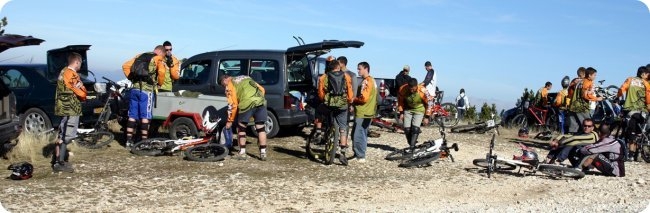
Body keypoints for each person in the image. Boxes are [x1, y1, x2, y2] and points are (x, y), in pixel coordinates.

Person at [122, 45, 167, 147]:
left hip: (134, 90)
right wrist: (159, 83)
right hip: (146, 91)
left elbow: (125, 65)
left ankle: (128, 141)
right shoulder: (158, 59)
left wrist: (132, 79)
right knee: (145, 116)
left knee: (132, 116)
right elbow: (161, 72)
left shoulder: (140, 56)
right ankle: (144, 142)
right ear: (161, 53)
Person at [219, 74, 269, 161]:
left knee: (241, 128)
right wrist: (256, 99)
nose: (224, 87)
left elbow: (233, 105)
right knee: (261, 128)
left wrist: (230, 121)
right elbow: (262, 89)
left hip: (246, 103)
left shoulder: (230, 85)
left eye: (223, 85)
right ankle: (263, 153)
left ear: (225, 80)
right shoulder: (246, 77)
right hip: (260, 101)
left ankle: (242, 153)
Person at [52, 52, 87, 173]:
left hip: (64, 107)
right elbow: (80, 91)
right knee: (67, 134)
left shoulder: (63, 71)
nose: (80, 66)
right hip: (71, 107)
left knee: (62, 132)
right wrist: (83, 93)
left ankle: (57, 160)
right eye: (80, 63)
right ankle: (59, 163)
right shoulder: (71, 74)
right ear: (76, 62)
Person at [318, 59, 354, 166]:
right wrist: (349, 101)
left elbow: (320, 93)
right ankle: (342, 153)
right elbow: (350, 93)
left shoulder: (324, 77)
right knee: (343, 127)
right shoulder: (346, 76)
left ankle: (324, 131)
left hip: (329, 104)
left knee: (322, 112)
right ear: (338, 67)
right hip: (342, 105)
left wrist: (325, 99)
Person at [615, 66, 650, 161]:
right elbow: (648, 98)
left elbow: (622, 89)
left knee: (632, 134)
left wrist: (617, 97)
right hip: (643, 111)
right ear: (643, 74)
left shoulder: (630, 79)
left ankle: (630, 155)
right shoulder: (646, 83)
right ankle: (637, 154)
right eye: (647, 74)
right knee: (639, 133)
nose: (648, 76)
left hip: (631, 110)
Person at [351, 62, 377, 163]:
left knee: (358, 134)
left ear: (366, 69)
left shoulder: (367, 81)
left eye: (359, 69)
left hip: (363, 111)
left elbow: (364, 98)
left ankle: (360, 155)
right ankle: (360, 153)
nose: (358, 71)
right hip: (369, 111)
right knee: (363, 133)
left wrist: (354, 100)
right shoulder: (373, 81)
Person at [398, 78, 434, 152]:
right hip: (408, 109)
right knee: (407, 129)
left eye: (413, 89)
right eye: (410, 88)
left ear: (416, 86)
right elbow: (400, 101)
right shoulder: (403, 89)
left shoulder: (423, 90)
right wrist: (401, 112)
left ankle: (412, 147)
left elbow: (430, 103)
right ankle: (412, 143)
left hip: (419, 110)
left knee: (415, 129)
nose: (411, 90)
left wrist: (427, 116)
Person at [567, 67, 602, 134]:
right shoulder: (587, 82)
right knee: (588, 125)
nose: (595, 77)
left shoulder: (578, 82)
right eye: (594, 75)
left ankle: (572, 140)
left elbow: (570, 93)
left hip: (573, 106)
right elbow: (585, 95)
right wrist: (597, 99)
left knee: (573, 127)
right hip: (581, 107)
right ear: (589, 75)